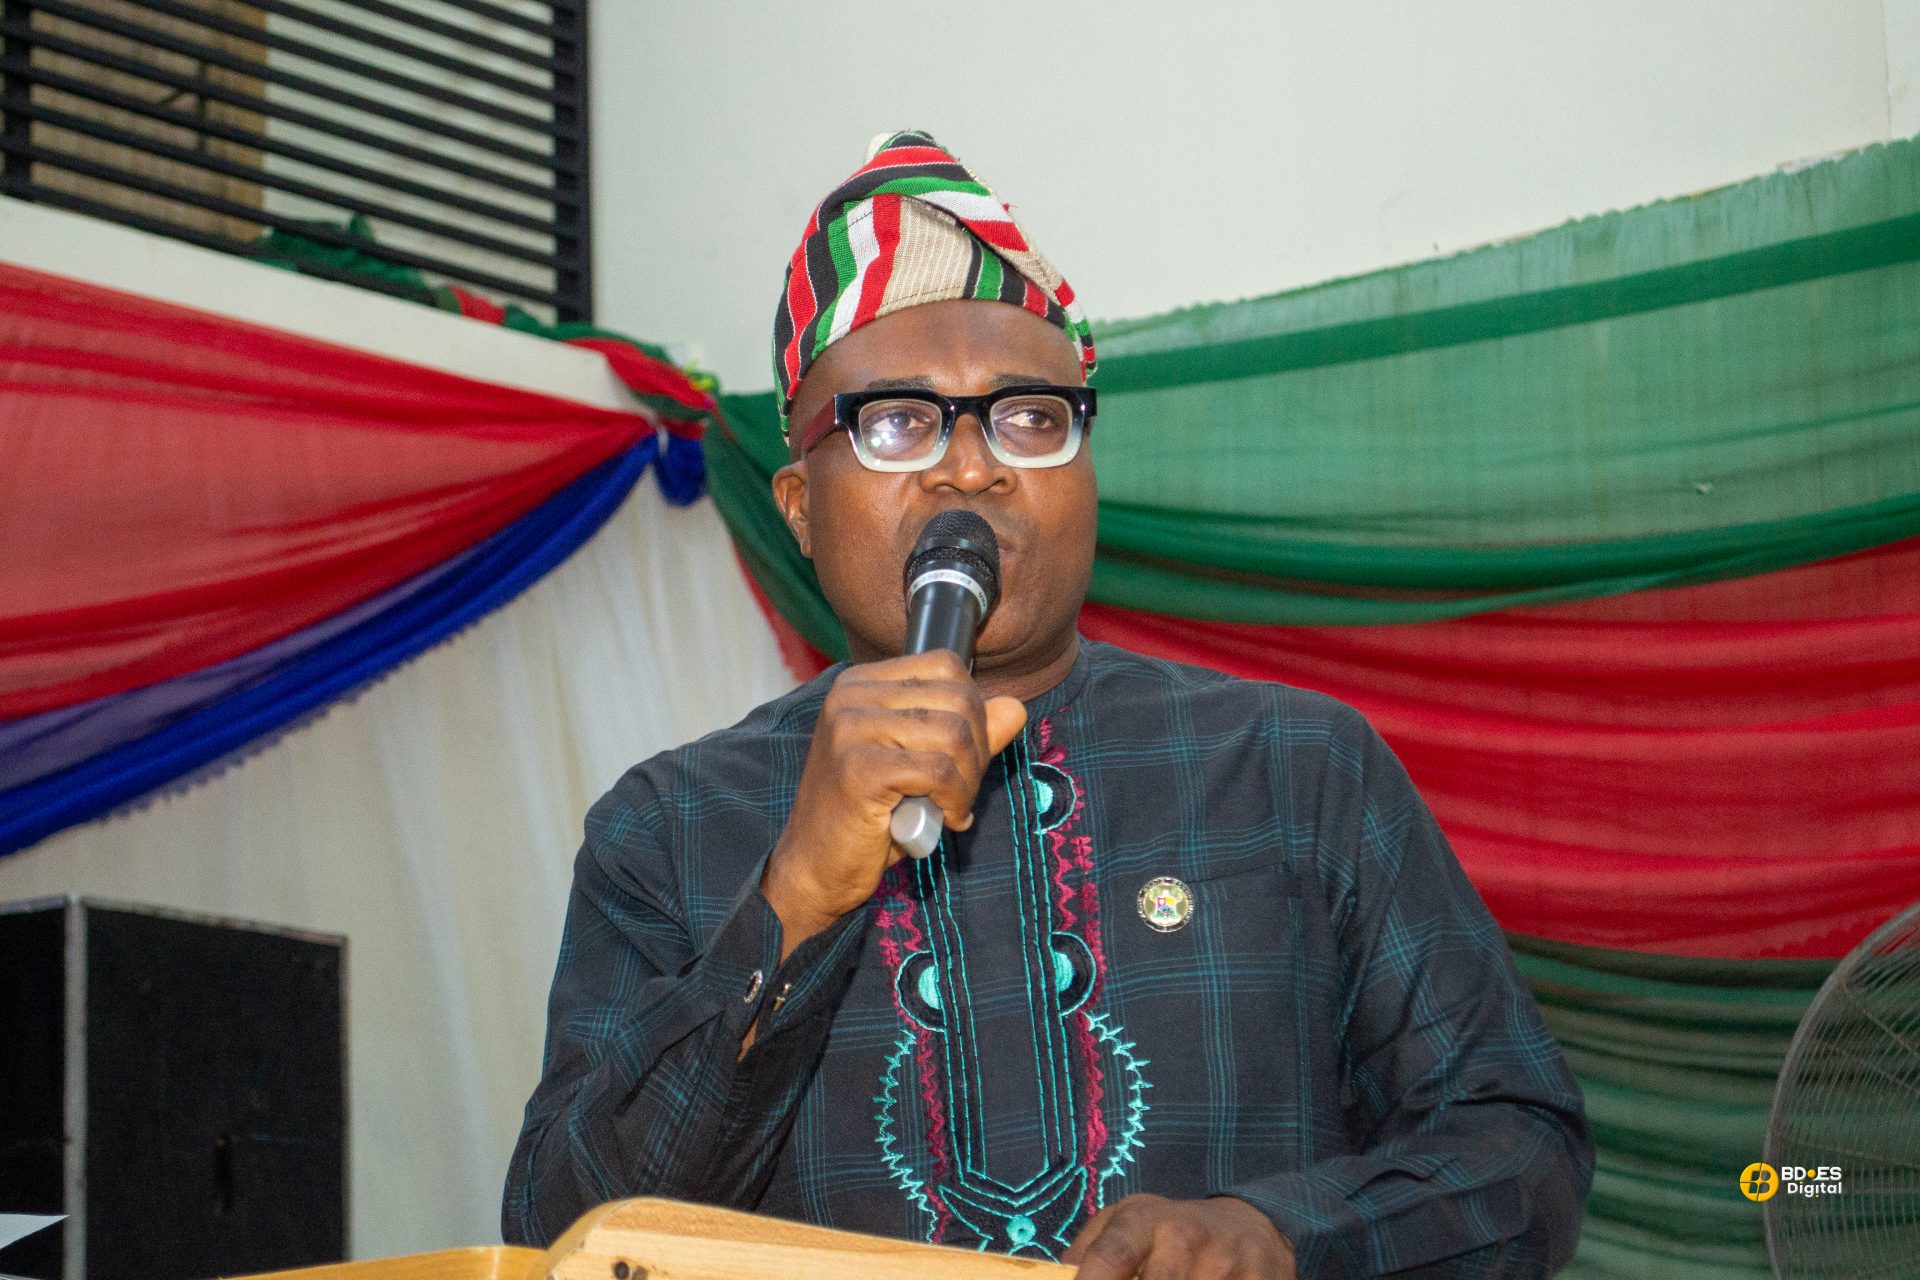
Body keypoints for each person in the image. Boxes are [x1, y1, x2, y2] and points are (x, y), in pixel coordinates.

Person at [504, 130, 1593, 1279]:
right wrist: (796, 895)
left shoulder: (1294, 765)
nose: (972, 467)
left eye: (1030, 416)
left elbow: (1519, 1149)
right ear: (800, 508)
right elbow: (561, 1235)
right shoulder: (667, 828)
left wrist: (1283, 1234)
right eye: (896, 422)